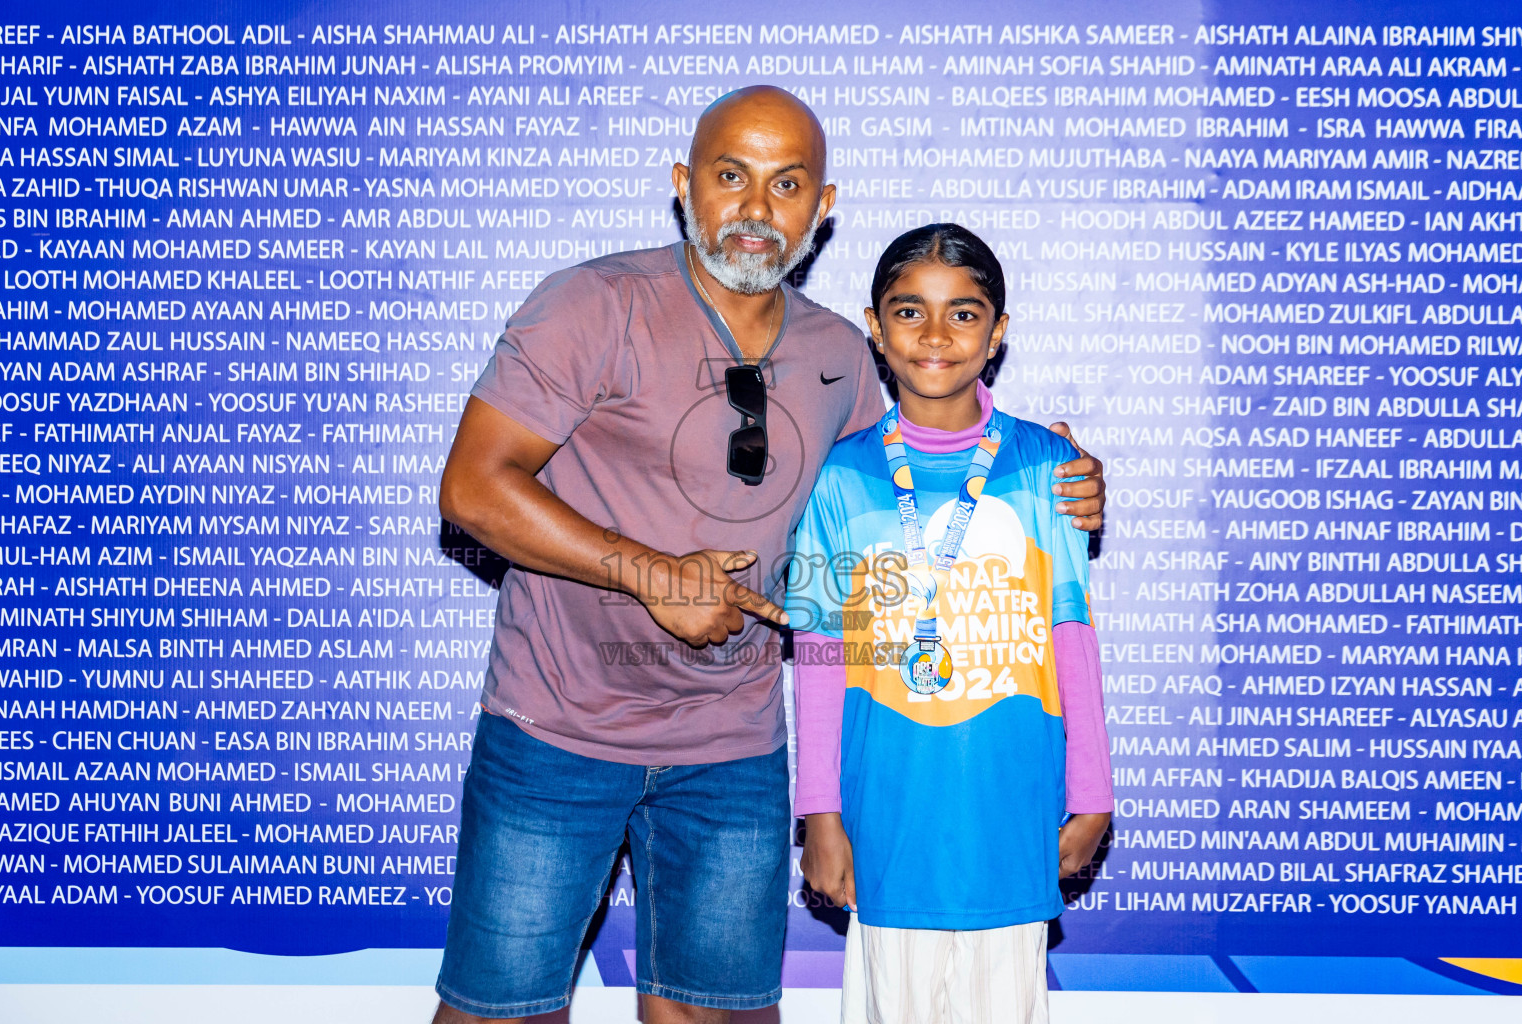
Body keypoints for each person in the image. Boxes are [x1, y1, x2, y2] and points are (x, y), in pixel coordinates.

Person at [434, 87, 1107, 1024]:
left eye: (786, 184)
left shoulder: (840, 353)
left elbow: (916, 486)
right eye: (730, 177)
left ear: (821, 208)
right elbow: (470, 489)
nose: (756, 209)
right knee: (497, 1014)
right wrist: (650, 573)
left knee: (715, 1014)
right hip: (558, 730)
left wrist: (1058, 469)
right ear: (685, 187)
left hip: (734, 747)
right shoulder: (592, 304)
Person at [790, 224, 1114, 1024]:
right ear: (875, 325)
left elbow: (1071, 634)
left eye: (963, 315)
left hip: (1010, 802)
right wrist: (821, 814)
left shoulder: (1046, 466)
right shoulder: (841, 475)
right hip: (887, 811)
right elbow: (822, 651)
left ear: (997, 333)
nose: (936, 336)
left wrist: (1094, 792)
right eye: (910, 312)